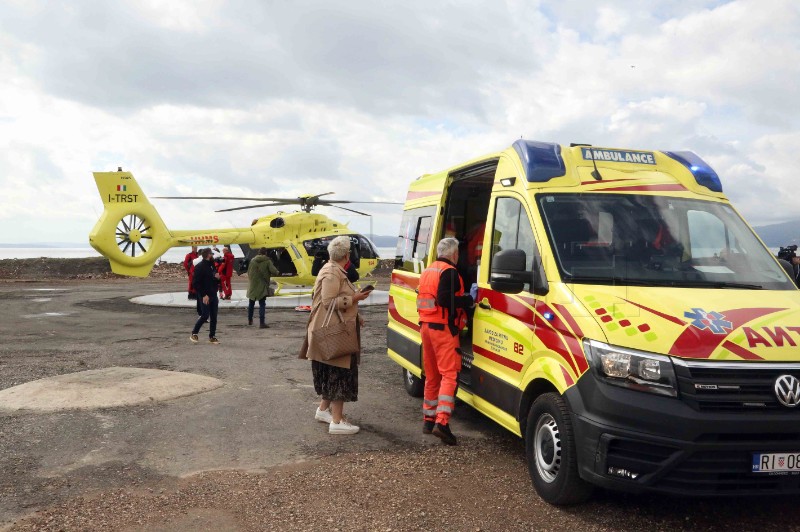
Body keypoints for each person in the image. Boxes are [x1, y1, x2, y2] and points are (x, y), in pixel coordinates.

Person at [299, 235, 371, 435]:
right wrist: (355, 297)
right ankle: (337, 421)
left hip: (329, 329)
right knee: (339, 373)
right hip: (334, 333)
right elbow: (329, 301)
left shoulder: (332, 269)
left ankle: (323, 411)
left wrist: (357, 316)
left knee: (331, 372)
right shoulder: (333, 272)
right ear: (347, 255)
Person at [416, 237, 475, 445]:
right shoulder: (449, 272)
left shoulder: (430, 270)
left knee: (432, 376)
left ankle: (428, 420)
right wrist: (469, 300)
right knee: (449, 375)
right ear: (454, 254)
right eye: (458, 253)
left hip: (426, 327)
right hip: (443, 329)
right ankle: (442, 423)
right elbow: (444, 299)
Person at [190, 248, 221, 344]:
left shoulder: (212, 266)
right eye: (212, 254)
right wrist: (203, 295)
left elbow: (214, 280)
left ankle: (212, 336)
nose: (213, 256)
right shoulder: (200, 266)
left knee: (214, 317)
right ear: (208, 255)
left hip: (213, 294)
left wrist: (217, 279)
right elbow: (195, 283)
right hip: (204, 295)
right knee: (205, 315)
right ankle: (194, 333)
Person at [247, 247, 279, 328]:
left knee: (251, 303)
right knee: (262, 304)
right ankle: (262, 323)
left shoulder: (253, 260)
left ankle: (250, 320)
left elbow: (249, 272)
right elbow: (274, 271)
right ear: (266, 253)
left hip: (253, 284)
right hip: (262, 285)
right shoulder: (267, 261)